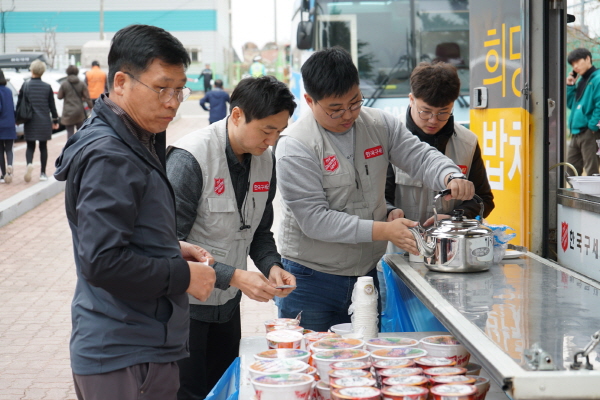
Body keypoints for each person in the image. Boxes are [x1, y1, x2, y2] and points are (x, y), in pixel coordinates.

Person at [53, 24, 217, 400]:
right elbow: (103, 260)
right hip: (124, 351)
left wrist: (168, 247)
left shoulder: (136, 137)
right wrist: (181, 275)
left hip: (137, 342)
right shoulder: (111, 155)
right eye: (162, 88)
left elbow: (123, 232)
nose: (173, 102)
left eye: (180, 89)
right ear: (122, 82)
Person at [275, 47, 475, 332]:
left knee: (364, 364)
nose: (348, 115)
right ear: (309, 100)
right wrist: (384, 230)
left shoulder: (379, 124)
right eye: (336, 109)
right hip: (311, 281)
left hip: (365, 277)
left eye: (355, 102)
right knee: (313, 362)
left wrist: (450, 175)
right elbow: (315, 220)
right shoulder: (295, 146)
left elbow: (418, 156)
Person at [167, 75, 297, 400]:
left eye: (279, 132)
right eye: (267, 129)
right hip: (185, 312)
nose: (272, 140)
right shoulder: (190, 159)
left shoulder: (266, 161)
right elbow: (167, 248)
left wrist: (272, 265)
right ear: (237, 115)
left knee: (226, 391)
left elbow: (259, 231)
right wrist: (236, 276)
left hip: (227, 307)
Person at [385, 62, 494, 232]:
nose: (433, 120)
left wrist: (455, 217)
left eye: (443, 112)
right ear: (411, 99)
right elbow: (376, 198)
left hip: (449, 247)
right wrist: (390, 212)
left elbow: (484, 200)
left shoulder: (468, 142)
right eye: (426, 111)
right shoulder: (388, 138)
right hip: (399, 246)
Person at [16, 59, 58, 182]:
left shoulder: (25, 85)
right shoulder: (47, 87)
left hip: (30, 120)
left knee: (30, 146)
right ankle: (43, 173)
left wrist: (17, 119)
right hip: (44, 120)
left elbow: (19, 104)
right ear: (42, 71)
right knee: (43, 147)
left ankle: (29, 163)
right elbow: (52, 105)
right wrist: (55, 120)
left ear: (32, 70)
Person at [566, 47, 600, 176]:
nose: (575, 67)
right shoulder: (582, 81)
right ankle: (571, 196)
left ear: (587, 59)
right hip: (576, 133)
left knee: (592, 172)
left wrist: (593, 126)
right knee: (570, 172)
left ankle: (594, 197)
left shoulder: (597, 78)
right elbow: (571, 105)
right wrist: (570, 86)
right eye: (572, 64)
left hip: (589, 132)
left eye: (577, 62)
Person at [58, 65, 94, 139]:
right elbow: (87, 97)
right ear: (77, 72)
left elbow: (59, 96)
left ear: (67, 72)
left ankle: (70, 148)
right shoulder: (81, 84)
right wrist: (91, 107)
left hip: (68, 111)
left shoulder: (64, 84)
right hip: (79, 111)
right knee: (80, 131)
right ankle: (80, 148)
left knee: (70, 132)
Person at [0, 69, 16, 183]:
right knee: (9, 149)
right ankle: (10, 167)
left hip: (0, 124)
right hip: (10, 123)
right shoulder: (9, 91)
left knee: (0, 151)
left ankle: (4, 174)